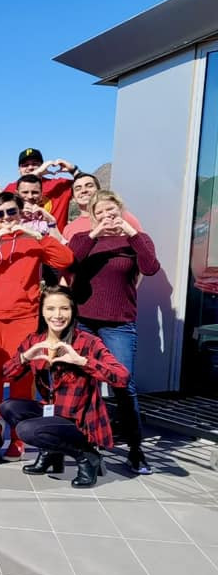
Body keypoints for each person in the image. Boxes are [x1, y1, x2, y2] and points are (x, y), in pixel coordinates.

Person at [0, 192, 75, 460]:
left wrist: (36, 235)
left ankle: (18, 437)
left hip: (23, 318)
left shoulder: (33, 242)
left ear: (21, 212)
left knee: (21, 380)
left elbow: (65, 260)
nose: (6, 219)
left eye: (11, 212)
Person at [0, 286, 129, 488]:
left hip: (79, 422)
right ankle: (51, 452)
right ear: (42, 311)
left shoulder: (87, 342)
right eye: (50, 308)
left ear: (73, 311)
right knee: (8, 407)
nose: (57, 315)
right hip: (52, 413)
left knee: (27, 430)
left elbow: (122, 377)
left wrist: (82, 362)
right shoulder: (35, 341)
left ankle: (87, 456)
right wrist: (26, 357)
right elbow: (6, 375)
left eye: (64, 309)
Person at [69, 190, 160, 473]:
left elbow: (151, 267)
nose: (108, 216)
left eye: (112, 211)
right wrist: (96, 232)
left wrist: (131, 232)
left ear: (120, 211)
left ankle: (135, 448)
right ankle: (88, 445)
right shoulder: (83, 239)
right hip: (85, 321)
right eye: (101, 212)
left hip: (119, 324)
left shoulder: (136, 240)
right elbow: (71, 261)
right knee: (85, 385)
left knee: (123, 384)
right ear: (93, 215)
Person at [3, 148, 78, 232]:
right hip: (22, 242)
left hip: (55, 241)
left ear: (43, 166)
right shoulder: (11, 188)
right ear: (19, 169)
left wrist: (73, 170)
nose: (30, 167)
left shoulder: (59, 185)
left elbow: (88, 186)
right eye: (25, 165)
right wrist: (36, 173)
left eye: (35, 164)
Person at [61, 173, 142, 241]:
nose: (84, 190)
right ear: (73, 198)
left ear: (99, 191)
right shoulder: (69, 229)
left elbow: (144, 246)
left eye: (89, 186)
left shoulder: (123, 217)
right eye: (78, 189)